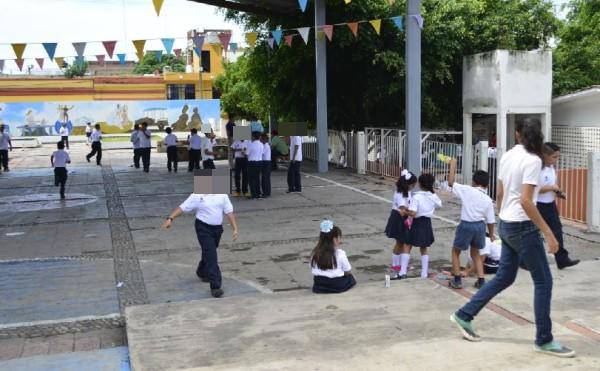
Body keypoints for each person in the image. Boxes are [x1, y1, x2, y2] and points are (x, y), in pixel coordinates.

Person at [450, 118, 575, 358]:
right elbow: (527, 201)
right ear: (538, 134)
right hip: (522, 227)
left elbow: (500, 193)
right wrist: (549, 233)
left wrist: (501, 217)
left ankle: (464, 315)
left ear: (517, 134)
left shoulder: (507, 156)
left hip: (507, 222)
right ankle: (544, 339)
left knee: (504, 277)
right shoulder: (533, 160)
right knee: (544, 282)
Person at [161, 193, 238, 298]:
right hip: (203, 227)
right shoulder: (197, 195)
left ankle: (202, 270)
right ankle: (215, 286)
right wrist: (170, 218)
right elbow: (182, 207)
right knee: (211, 255)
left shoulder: (222, 195)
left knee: (209, 251)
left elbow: (229, 212)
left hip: (217, 229)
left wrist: (234, 228)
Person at [447, 158, 496, 290]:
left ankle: (457, 280)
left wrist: (453, 165)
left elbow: (451, 182)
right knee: (476, 253)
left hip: (466, 224)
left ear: (474, 182)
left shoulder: (467, 190)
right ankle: (481, 280)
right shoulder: (488, 199)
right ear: (486, 185)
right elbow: (491, 221)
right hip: (480, 226)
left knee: (455, 251)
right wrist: (491, 235)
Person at [537, 142, 579, 269]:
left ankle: (562, 259)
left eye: (557, 157)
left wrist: (558, 192)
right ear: (545, 155)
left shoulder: (551, 169)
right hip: (538, 205)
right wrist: (551, 187)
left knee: (557, 231)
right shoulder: (538, 168)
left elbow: (552, 186)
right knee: (533, 234)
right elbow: (535, 188)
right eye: (554, 157)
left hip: (550, 205)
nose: (556, 160)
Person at [399, 173, 442, 279]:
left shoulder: (417, 196)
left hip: (417, 222)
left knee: (407, 245)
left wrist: (405, 212)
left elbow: (413, 213)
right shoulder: (433, 196)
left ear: (420, 184)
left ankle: (403, 272)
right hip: (427, 223)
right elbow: (439, 205)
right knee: (424, 248)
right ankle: (424, 273)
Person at [385, 170, 417, 279]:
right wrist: (413, 213)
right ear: (408, 184)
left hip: (402, 218)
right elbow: (402, 210)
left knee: (400, 242)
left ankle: (398, 265)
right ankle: (396, 265)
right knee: (402, 243)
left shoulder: (406, 191)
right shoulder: (400, 194)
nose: (414, 186)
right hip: (398, 218)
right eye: (413, 185)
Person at [310, 220, 356, 294]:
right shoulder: (340, 254)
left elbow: (312, 268)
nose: (340, 240)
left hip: (319, 285)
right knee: (351, 278)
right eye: (339, 237)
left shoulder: (315, 253)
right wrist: (342, 273)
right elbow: (348, 271)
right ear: (334, 239)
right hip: (336, 285)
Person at [246, 131, 263, 199]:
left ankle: (253, 195)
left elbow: (247, 153)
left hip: (252, 163)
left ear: (253, 136)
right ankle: (258, 193)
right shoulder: (261, 144)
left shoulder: (251, 144)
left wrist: (243, 151)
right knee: (257, 178)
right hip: (259, 162)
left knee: (251, 179)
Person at [260, 133, 272, 197]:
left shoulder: (265, 145)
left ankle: (266, 193)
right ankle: (266, 192)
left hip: (266, 162)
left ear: (264, 139)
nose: (260, 140)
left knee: (265, 178)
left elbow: (261, 153)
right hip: (266, 162)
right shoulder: (265, 145)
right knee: (265, 178)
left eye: (261, 139)